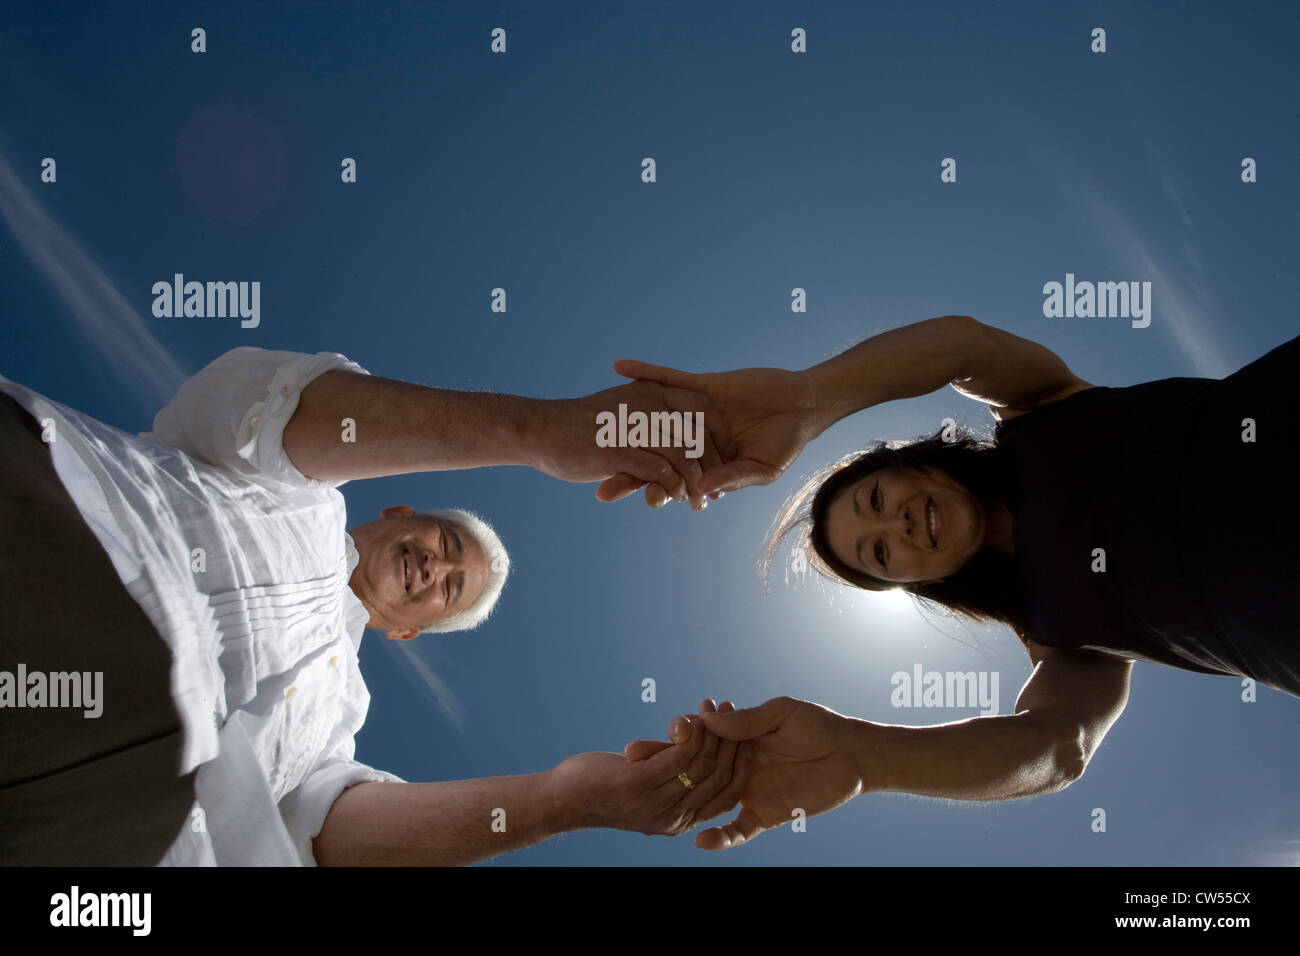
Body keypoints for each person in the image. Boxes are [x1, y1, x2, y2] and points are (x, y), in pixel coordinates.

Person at [0, 346, 737, 865]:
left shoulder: (337, 717)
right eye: (446, 541)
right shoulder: (299, 485)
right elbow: (271, 407)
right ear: (399, 508)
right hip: (48, 530)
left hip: (83, 817)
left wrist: (564, 802)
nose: (435, 565)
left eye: (451, 587)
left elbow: (323, 837)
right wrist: (539, 432)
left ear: (408, 630)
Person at [608, 314, 1298, 849]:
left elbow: (965, 347)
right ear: (914, 585)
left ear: (911, 462)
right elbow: (1058, 749)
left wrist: (808, 398)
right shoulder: (1058, 636)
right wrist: (864, 758)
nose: (896, 529)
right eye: (879, 556)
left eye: (876, 500)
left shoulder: (1043, 412)